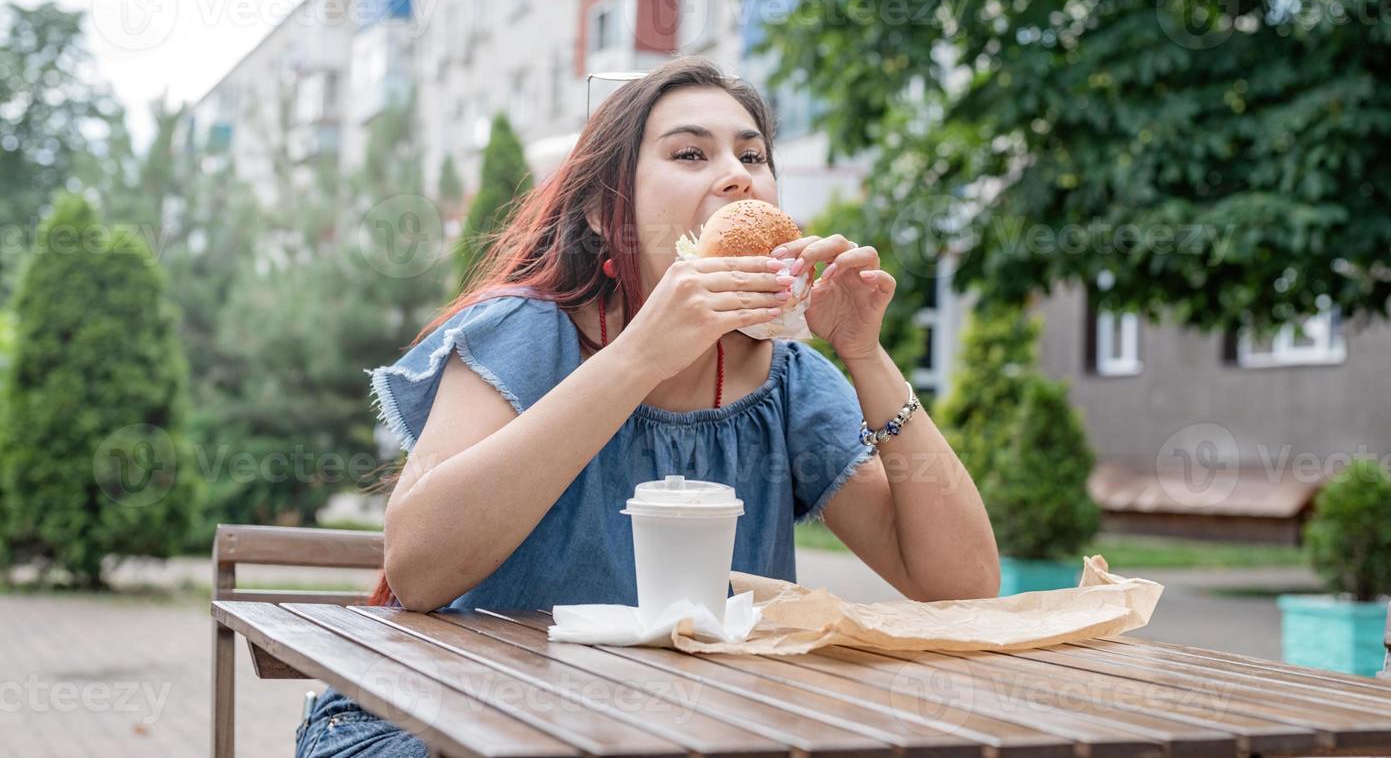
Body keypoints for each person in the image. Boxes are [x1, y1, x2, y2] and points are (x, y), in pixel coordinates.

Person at [294, 56, 999, 757]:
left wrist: (865, 354)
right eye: (690, 152)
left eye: (752, 154)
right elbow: (417, 569)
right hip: (439, 721)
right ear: (605, 211)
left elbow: (960, 585)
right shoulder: (525, 331)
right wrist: (641, 356)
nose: (736, 173)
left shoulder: (785, 380)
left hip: (671, 732)